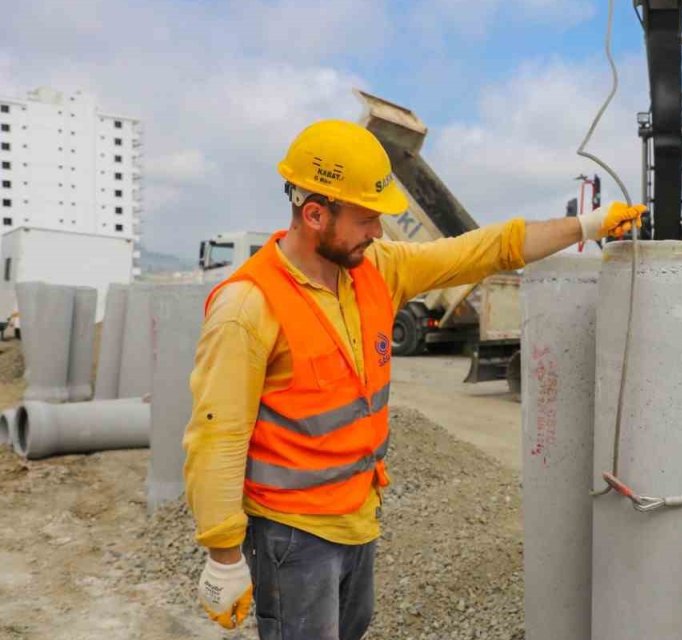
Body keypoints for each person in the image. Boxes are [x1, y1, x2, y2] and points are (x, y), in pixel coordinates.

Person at [184, 119, 644, 639]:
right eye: (364, 220)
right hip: (292, 535)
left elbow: (485, 250)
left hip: (358, 516)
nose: (377, 232)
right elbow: (216, 437)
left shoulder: (376, 269)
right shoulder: (247, 306)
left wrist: (587, 226)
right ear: (314, 214)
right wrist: (223, 556)